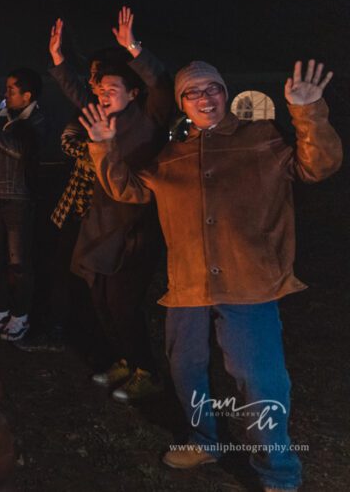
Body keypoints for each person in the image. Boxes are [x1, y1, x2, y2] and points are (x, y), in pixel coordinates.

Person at [82, 59, 341, 492]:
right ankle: (205, 440)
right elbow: (128, 189)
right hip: (188, 285)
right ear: (182, 103)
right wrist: (104, 147)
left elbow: (319, 165)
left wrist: (308, 111)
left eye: (212, 88)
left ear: (225, 93)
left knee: (258, 379)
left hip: (249, 281)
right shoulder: (173, 153)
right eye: (192, 92)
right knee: (186, 370)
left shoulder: (260, 138)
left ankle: (278, 473)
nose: (204, 97)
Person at [49, 8, 175, 403]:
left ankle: (147, 371)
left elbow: (164, 86)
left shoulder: (149, 118)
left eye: (112, 89)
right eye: (100, 90)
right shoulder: (100, 117)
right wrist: (58, 60)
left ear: (133, 92)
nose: (103, 95)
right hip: (101, 220)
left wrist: (133, 48)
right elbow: (74, 89)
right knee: (100, 296)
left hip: (136, 225)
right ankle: (124, 358)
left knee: (123, 301)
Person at [0, 68, 46, 343]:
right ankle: (0, 309)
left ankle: (21, 315)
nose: (6, 94)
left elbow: (19, 151)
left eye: (12, 90)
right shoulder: (4, 119)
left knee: (19, 263)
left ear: (27, 95)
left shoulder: (36, 120)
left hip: (18, 200)